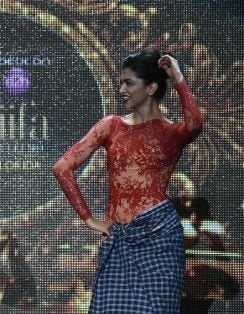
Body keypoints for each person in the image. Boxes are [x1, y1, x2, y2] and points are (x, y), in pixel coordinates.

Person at [52, 48, 203, 313]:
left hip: (160, 237)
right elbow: (62, 167)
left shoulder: (171, 131)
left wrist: (177, 76)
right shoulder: (111, 125)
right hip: (118, 237)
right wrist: (89, 219)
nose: (121, 89)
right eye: (121, 82)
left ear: (151, 87)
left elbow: (195, 125)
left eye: (128, 82)